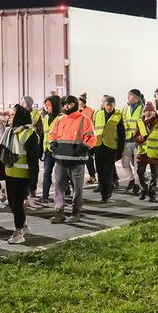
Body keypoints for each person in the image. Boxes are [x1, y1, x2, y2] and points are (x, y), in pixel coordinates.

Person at [48, 95, 96, 223]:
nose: (66, 107)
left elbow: (92, 138)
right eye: (64, 104)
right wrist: (52, 143)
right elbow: (52, 134)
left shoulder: (84, 120)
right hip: (60, 160)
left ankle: (76, 212)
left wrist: (82, 147)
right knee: (58, 186)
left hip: (76, 161)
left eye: (69, 104)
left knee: (77, 188)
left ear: (74, 104)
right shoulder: (60, 120)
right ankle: (59, 212)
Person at [0, 104, 41, 244]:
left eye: (12, 114)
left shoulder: (29, 134)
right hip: (10, 174)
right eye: (9, 114)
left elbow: (33, 160)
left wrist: (33, 183)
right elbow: (2, 151)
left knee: (16, 204)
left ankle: (18, 233)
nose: (9, 117)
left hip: (23, 176)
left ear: (19, 117)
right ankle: (23, 225)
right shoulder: (9, 132)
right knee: (13, 204)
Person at [92, 95, 125, 202]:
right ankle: (104, 187)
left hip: (111, 147)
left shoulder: (118, 116)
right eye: (108, 105)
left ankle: (105, 194)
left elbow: (121, 135)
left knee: (108, 171)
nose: (110, 107)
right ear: (104, 105)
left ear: (114, 105)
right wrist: (92, 146)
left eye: (111, 105)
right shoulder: (97, 114)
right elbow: (93, 131)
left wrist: (120, 151)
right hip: (98, 146)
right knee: (99, 170)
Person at [134, 102, 158, 201]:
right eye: (146, 111)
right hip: (143, 152)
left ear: (154, 112)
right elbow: (136, 136)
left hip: (155, 151)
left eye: (150, 111)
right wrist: (140, 138)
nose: (148, 113)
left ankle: (152, 192)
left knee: (154, 174)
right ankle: (144, 188)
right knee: (140, 172)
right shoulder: (140, 122)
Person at [37, 94, 62, 205]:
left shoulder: (61, 118)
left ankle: (65, 192)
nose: (47, 107)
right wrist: (40, 150)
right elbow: (43, 134)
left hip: (59, 150)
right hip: (48, 150)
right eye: (46, 105)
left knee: (61, 174)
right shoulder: (45, 118)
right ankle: (44, 195)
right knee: (47, 173)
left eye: (49, 105)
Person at [120, 89, 142, 192]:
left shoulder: (143, 108)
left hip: (138, 140)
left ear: (136, 97)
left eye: (130, 95)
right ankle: (131, 179)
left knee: (137, 165)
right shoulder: (125, 108)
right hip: (128, 139)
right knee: (125, 162)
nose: (128, 97)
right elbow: (123, 120)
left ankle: (137, 185)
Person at [79, 93, 98, 185]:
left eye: (81, 101)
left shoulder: (91, 111)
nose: (80, 102)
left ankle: (92, 175)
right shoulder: (76, 111)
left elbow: (93, 125)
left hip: (87, 138)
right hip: (77, 138)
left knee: (88, 158)